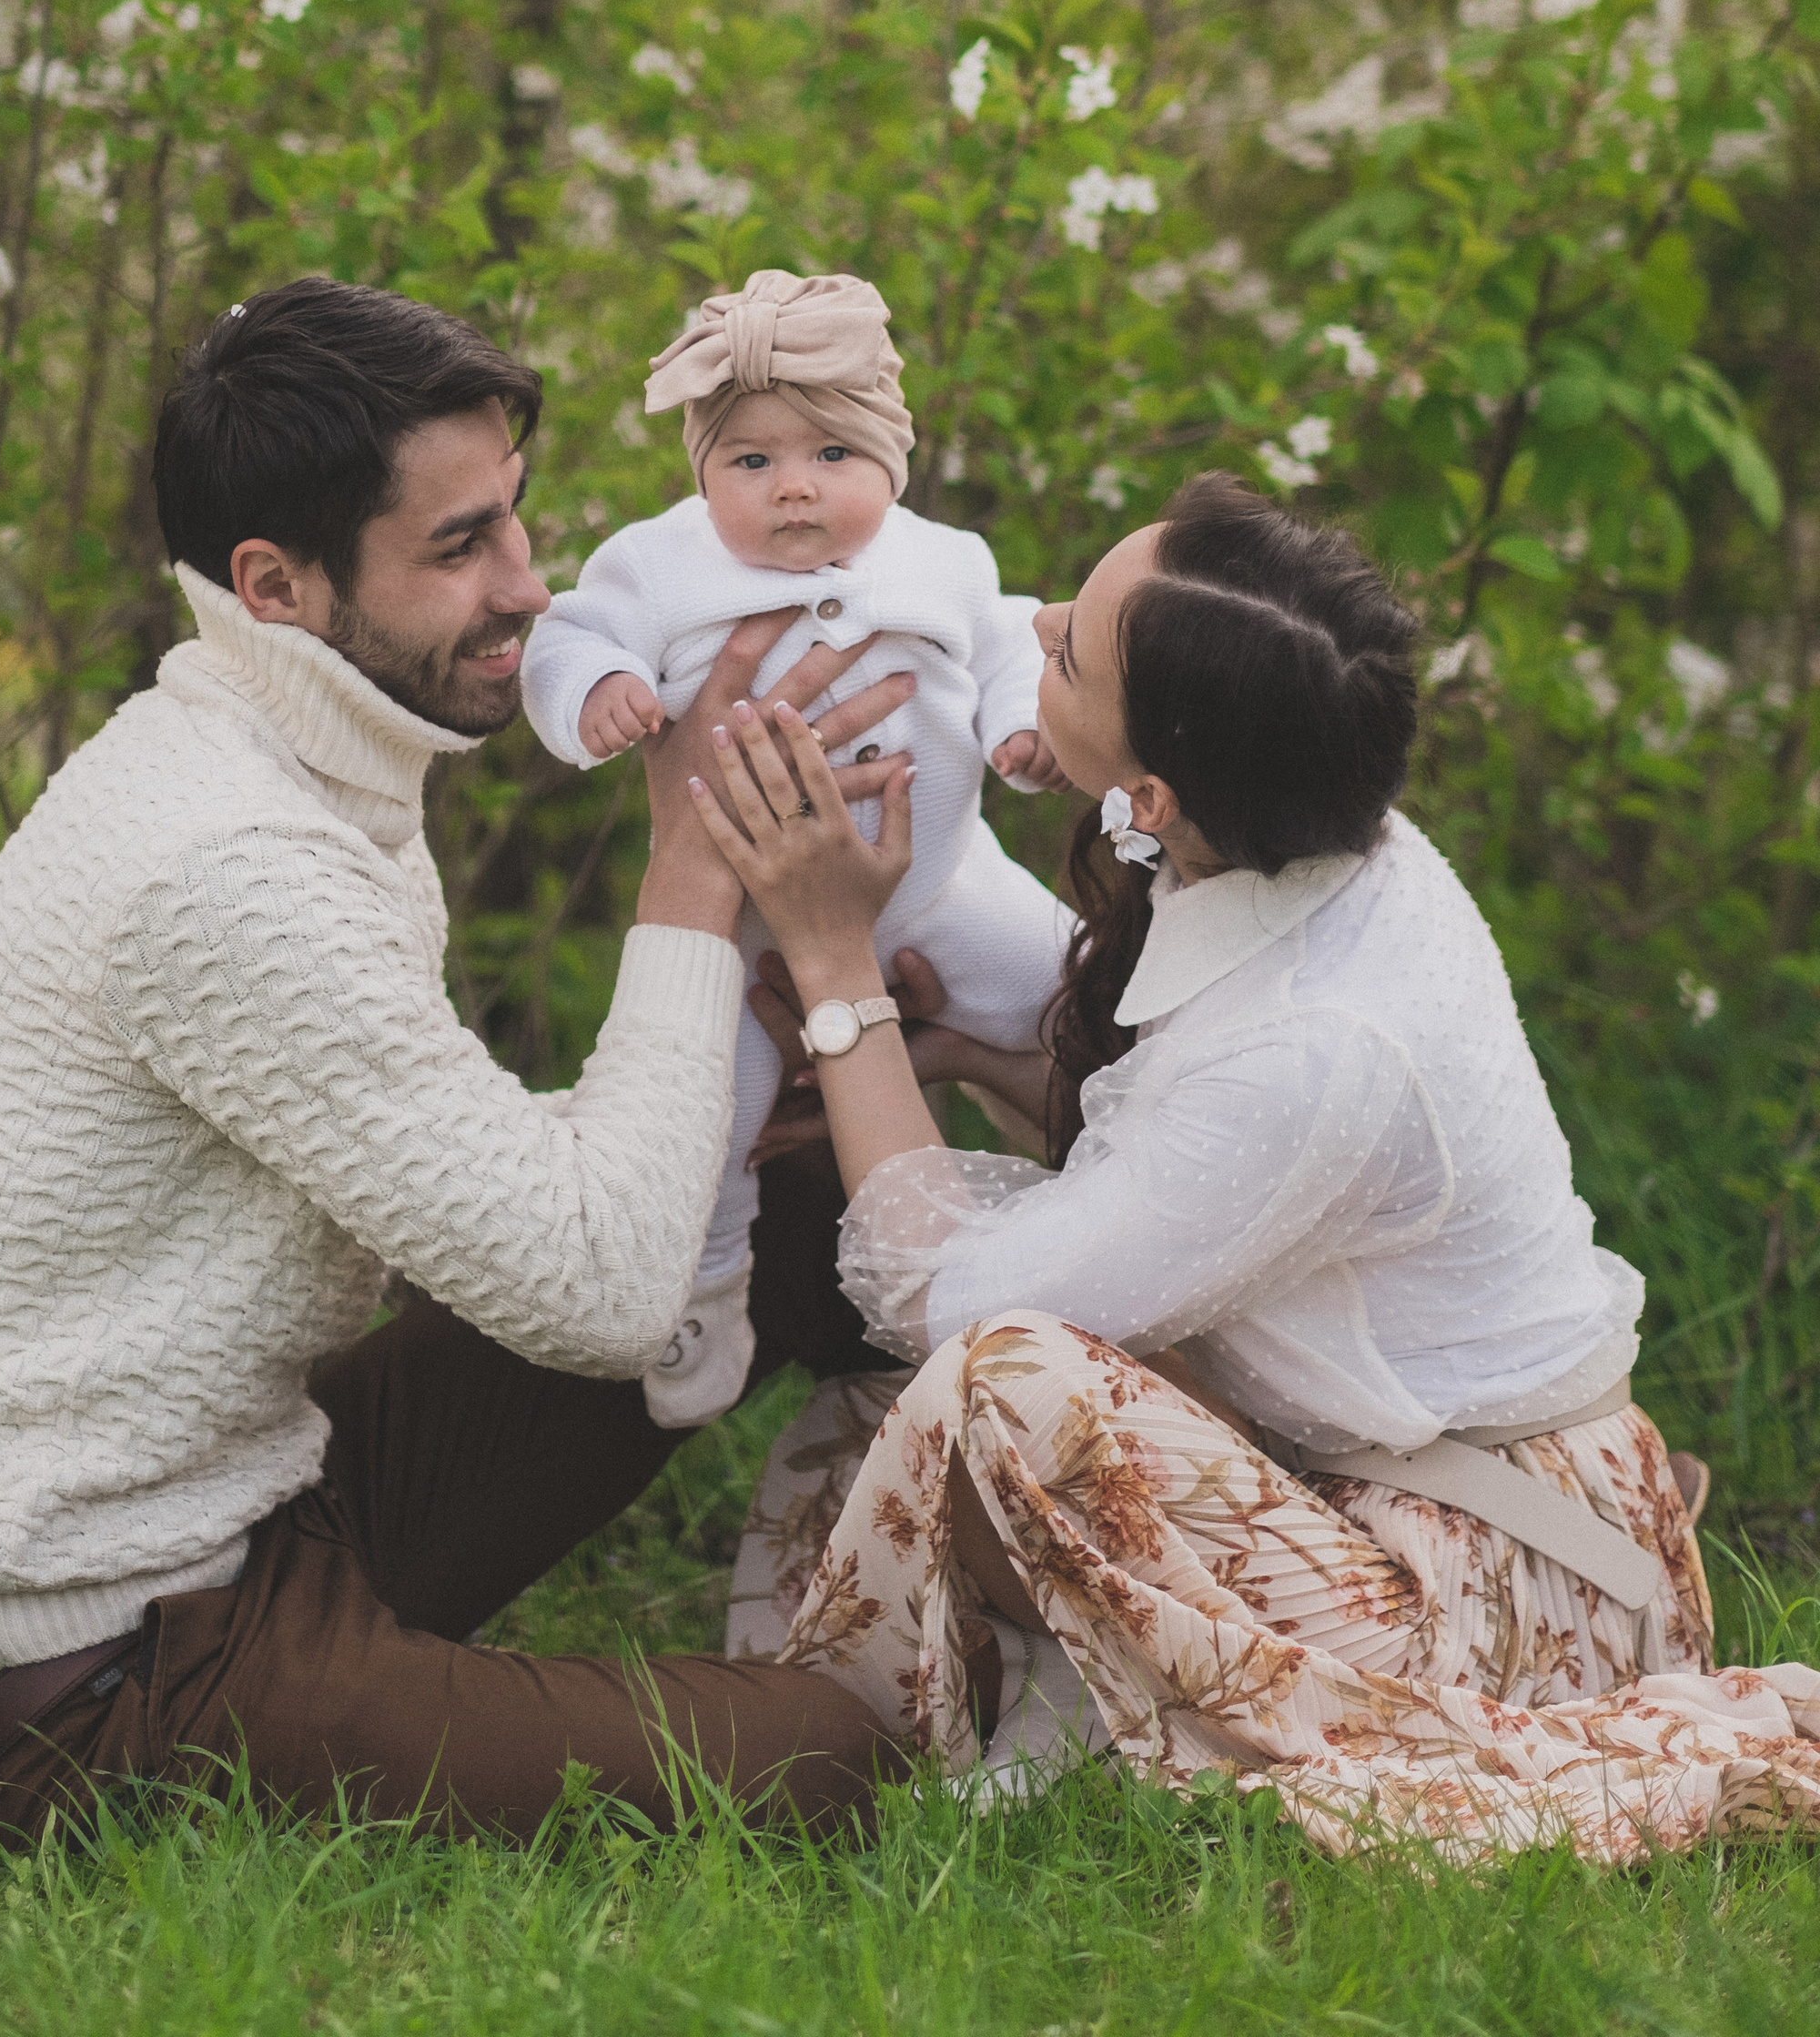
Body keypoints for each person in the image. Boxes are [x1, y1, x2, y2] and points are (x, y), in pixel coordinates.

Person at [0, 276, 916, 1848]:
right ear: (278, 583)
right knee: (839, 1754)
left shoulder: (296, 770)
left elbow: (480, 1182)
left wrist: (815, 1011)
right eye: (458, 548)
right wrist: (694, 870)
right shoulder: (225, 865)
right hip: (89, 1673)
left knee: (793, 1193)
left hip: (249, 1505)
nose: (527, 590)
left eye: (513, 521)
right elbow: (604, 1291)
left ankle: (1060, 1532)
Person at [684, 473, 1820, 1861]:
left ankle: (1016, 1747)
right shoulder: (1316, 844)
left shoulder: (1316, 1045)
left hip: (1496, 1596)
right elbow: (1180, 1143)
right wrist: (960, 1055)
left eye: (1070, 652)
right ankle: (1084, 1713)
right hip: (1434, 1493)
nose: (1032, 623)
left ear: (1157, 790)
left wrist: (830, 955)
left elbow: (949, 1306)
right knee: (907, 1419)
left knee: (1004, 1389)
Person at [522, 269, 1063, 1430]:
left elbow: (1016, 637)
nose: (792, 490)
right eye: (749, 463)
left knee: (1076, 997)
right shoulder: (657, 562)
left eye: (831, 455)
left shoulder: (942, 560)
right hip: (745, 926)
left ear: (890, 461)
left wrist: (1021, 725)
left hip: (941, 886)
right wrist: (600, 689)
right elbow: (567, 632)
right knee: (706, 1119)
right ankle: (704, 1283)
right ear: (705, 473)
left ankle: (1125, 1169)